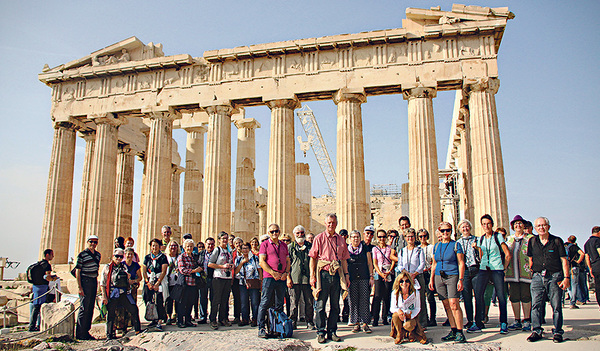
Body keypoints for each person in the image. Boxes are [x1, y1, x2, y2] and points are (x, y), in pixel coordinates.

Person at [526, 217, 570, 343]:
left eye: (543, 225)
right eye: (538, 226)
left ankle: (557, 331)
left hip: (554, 276)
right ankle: (536, 330)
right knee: (535, 305)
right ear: (535, 228)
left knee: (556, 305)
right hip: (538, 276)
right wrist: (533, 272)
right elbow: (530, 258)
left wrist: (566, 278)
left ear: (548, 227)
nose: (541, 228)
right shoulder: (532, 241)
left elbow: (564, 260)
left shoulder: (556, 241)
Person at [309, 213, 351, 344]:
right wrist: (312, 276)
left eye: (333, 223)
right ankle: (320, 332)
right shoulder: (319, 238)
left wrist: (346, 275)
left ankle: (332, 331)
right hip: (323, 274)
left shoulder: (341, 239)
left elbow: (344, 259)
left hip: (337, 275)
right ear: (325, 223)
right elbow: (313, 258)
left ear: (336, 224)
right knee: (320, 305)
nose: (331, 225)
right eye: (329, 223)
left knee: (335, 305)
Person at [468, 214, 512, 334]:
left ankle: (503, 323)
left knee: (501, 296)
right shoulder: (481, 238)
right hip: (484, 269)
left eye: (488, 223)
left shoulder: (498, 237)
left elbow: (507, 253)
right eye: (483, 224)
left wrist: (504, 268)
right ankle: (478, 323)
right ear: (481, 225)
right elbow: (481, 253)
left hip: (497, 268)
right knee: (478, 294)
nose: (486, 226)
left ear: (492, 224)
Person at [429, 222, 466, 343]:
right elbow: (434, 264)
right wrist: (431, 279)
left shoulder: (456, 245)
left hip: (452, 275)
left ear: (451, 231)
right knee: (446, 304)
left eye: (448, 230)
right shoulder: (436, 246)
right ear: (439, 231)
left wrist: (461, 279)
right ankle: (453, 329)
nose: (445, 232)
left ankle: (460, 332)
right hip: (439, 276)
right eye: (443, 230)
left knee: (454, 303)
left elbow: (461, 262)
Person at [256, 224, 290, 338]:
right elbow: (262, 261)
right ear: (269, 233)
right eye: (272, 231)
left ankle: (277, 327)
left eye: (276, 231)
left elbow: (288, 260)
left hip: (281, 277)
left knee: (280, 303)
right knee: (265, 302)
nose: (274, 233)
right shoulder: (264, 245)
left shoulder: (284, 245)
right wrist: (273, 272)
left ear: (279, 232)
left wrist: (286, 273)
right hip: (269, 277)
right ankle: (261, 327)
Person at [100, 248, 141, 339]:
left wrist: (131, 280)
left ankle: (138, 330)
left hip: (123, 293)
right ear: (113, 256)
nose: (118, 258)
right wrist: (104, 297)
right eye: (117, 256)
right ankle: (109, 335)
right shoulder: (107, 267)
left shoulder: (124, 267)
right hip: (112, 294)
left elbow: (128, 280)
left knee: (133, 309)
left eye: (121, 257)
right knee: (111, 314)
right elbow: (102, 283)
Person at [504, 215, 533, 331]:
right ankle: (516, 320)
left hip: (526, 272)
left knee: (526, 296)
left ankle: (527, 320)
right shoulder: (509, 239)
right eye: (516, 224)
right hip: (512, 272)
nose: (518, 225)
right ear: (512, 226)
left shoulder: (530, 238)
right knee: (514, 296)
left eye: (520, 223)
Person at [396, 228, 427, 328]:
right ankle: (407, 322)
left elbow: (422, 263)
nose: (410, 238)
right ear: (405, 238)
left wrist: (414, 274)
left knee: (420, 298)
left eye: (412, 236)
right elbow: (399, 264)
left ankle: (421, 323)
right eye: (408, 236)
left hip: (417, 276)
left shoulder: (419, 250)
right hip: (405, 278)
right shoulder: (402, 251)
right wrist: (406, 273)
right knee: (406, 299)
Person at [287, 225, 315, 330]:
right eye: (298, 233)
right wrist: (288, 278)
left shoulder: (310, 246)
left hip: (307, 278)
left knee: (309, 302)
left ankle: (310, 321)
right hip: (294, 278)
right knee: (294, 302)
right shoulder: (290, 247)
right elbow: (287, 264)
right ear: (294, 235)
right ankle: (293, 322)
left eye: (302, 233)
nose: (300, 235)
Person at [390, 271, 427, 345]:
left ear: (410, 282)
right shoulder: (395, 293)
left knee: (407, 325)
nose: (404, 283)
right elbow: (392, 308)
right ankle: (400, 334)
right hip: (401, 316)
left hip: (411, 315)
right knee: (395, 316)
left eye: (406, 281)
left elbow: (418, 308)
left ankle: (411, 332)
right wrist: (399, 311)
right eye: (401, 281)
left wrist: (411, 315)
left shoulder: (415, 292)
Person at [347, 230, 373, 333]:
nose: (355, 239)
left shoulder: (365, 248)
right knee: (353, 301)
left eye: (357, 237)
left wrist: (371, 277)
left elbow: (370, 263)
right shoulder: (347, 250)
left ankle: (366, 323)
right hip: (352, 278)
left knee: (364, 300)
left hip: (364, 277)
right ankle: (356, 323)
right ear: (350, 239)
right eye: (353, 237)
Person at [75, 235, 101, 340]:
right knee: (84, 307)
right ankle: (80, 333)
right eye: (91, 242)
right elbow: (78, 270)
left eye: (95, 242)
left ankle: (86, 332)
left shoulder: (98, 255)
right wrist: (79, 287)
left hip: (93, 281)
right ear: (87, 242)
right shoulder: (82, 255)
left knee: (90, 307)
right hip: (84, 281)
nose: (93, 244)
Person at [455, 219, 479, 330]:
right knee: (467, 296)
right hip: (464, 271)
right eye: (463, 227)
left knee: (478, 296)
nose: (465, 229)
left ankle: (478, 320)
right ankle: (470, 320)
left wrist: (477, 247)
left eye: (467, 226)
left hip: (476, 268)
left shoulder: (477, 240)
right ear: (460, 229)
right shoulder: (458, 243)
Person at [208, 231, 234, 329]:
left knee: (225, 299)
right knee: (216, 299)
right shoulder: (217, 250)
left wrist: (231, 266)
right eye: (223, 238)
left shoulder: (229, 251)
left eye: (226, 238)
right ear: (219, 240)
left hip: (227, 278)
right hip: (218, 278)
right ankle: (213, 319)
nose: (225, 240)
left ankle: (223, 318)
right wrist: (221, 266)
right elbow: (210, 264)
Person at [142, 238, 169, 331]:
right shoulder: (147, 257)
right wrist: (147, 282)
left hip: (159, 281)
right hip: (149, 281)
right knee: (148, 299)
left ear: (160, 247)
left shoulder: (163, 257)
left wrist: (157, 283)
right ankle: (153, 318)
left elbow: (164, 271)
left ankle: (160, 320)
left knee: (159, 300)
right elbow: (144, 270)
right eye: (153, 245)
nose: (154, 247)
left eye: (156, 245)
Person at [372, 229, 396, 327]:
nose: (382, 239)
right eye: (380, 237)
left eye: (383, 237)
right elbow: (375, 263)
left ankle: (385, 317)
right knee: (377, 296)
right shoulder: (375, 249)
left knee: (386, 296)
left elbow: (393, 259)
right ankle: (375, 318)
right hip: (379, 273)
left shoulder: (390, 248)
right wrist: (381, 274)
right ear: (377, 238)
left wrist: (389, 271)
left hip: (389, 272)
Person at [177, 239, 203, 328]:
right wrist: (194, 271)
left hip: (193, 283)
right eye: (187, 246)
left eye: (191, 246)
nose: (189, 248)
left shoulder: (193, 257)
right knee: (182, 303)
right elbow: (182, 270)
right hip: (184, 283)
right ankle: (180, 321)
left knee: (190, 303)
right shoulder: (181, 257)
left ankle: (188, 320)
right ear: (184, 247)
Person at [234, 242, 262, 327]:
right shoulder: (238, 259)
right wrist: (242, 262)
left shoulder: (255, 258)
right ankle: (245, 319)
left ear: (249, 249)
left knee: (255, 302)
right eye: (243, 248)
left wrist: (261, 281)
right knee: (243, 302)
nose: (245, 250)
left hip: (253, 282)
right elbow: (236, 272)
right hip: (242, 283)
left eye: (246, 248)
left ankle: (255, 319)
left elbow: (259, 270)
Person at [28, 249, 55, 332]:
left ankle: (33, 325)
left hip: (36, 286)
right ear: (47, 255)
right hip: (43, 287)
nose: (53, 256)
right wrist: (54, 278)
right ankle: (36, 326)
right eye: (52, 254)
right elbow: (48, 277)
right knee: (41, 307)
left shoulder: (38, 264)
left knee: (36, 306)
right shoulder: (47, 265)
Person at [418, 229, 436, 327]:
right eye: (420, 236)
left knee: (430, 296)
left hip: (428, 273)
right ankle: (424, 318)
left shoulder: (431, 247)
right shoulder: (417, 248)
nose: (423, 238)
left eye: (424, 236)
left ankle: (433, 318)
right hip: (420, 274)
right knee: (421, 297)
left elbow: (434, 260)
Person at [198, 237, 215, 324]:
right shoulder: (201, 254)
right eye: (209, 244)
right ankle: (203, 316)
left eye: (212, 244)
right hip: (203, 278)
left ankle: (212, 317)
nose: (210, 246)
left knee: (213, 298)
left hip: (213, 278)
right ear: (205, 244)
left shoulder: (216, 254)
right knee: (202, 298)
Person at [566, 235, 585, 308]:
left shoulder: (564, 245)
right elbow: (582, 254)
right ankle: (572, 302)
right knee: (574, 285)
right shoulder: (574, 247)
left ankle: (568, 299)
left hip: (566, 267)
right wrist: (578, 261)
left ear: (568, 239)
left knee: (568, 286)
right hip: (573, 267)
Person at [584, 226, 600, 310]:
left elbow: (587, 257)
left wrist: (590, 268)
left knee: (598, 286)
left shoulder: (587, 243)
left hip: (594, 266)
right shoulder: (598, 241)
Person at [164, 240, 180, 325]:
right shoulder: (165, 257)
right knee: (168, 299)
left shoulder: (180, 257)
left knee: (177, 299)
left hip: (177, 281)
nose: (173, 247)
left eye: (175, 246)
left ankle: (176, 315)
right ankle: (168, 317)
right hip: (168, 280)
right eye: (171, 246)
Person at [230, 237, 244, 324]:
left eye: (240, 243)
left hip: (244, 278)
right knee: (236, 297)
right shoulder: (232, 254)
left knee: (244, 298)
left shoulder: (246, 253)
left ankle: (245, 316)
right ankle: (237, 316)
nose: (238, 245)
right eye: (236, 243)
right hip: (235, 278)